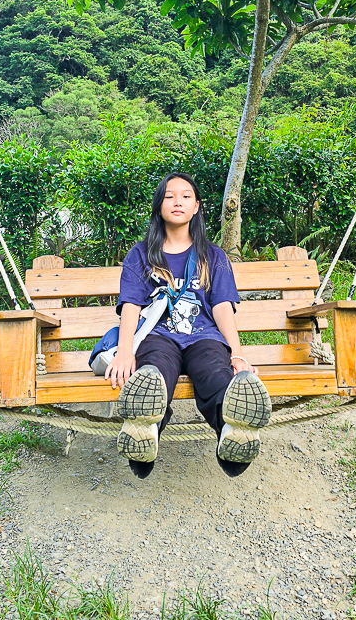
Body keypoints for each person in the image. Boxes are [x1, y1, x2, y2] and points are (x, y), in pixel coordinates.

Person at [106, 172, 271, 479]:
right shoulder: (141, 255)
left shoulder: (213, 256)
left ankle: (234, 435)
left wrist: (235, 353)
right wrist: (125, 352)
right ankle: (145, 434)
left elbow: (222, 308)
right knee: (154, 370)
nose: (177, 201)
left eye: (185, 196)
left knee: (216, 373)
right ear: (159, 207)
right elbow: (131, 305)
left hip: (203, 337)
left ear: (196, 206)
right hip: (158, 336)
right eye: (169, 196)